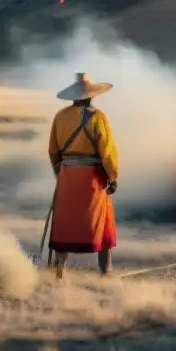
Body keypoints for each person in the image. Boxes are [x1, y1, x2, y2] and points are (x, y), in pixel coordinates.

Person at [47, 72, 119, 278]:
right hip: (93, 178)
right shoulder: (98, 117)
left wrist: (60, 174)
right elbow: (107, 152)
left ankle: (58, 273)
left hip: (68, 176)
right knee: (102, 221)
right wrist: (112, 176)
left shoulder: (60, 117)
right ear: (91, 95)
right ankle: (106, 272)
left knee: (65, 222)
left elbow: (53, 151)